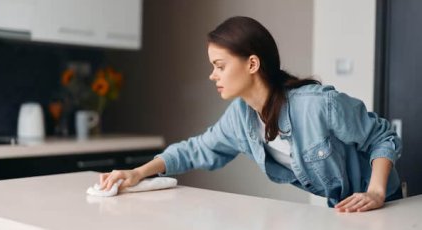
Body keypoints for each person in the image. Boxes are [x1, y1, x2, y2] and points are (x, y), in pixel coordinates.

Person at [99, 16, 402, 212]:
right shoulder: (240, 118)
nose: (212, 76)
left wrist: (375, 192)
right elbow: (195, 150)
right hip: (345, 211)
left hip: (386, 208)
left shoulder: (317, 105)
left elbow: (382, 136)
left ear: (252, 64)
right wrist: (137, 173)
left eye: (219, 66)